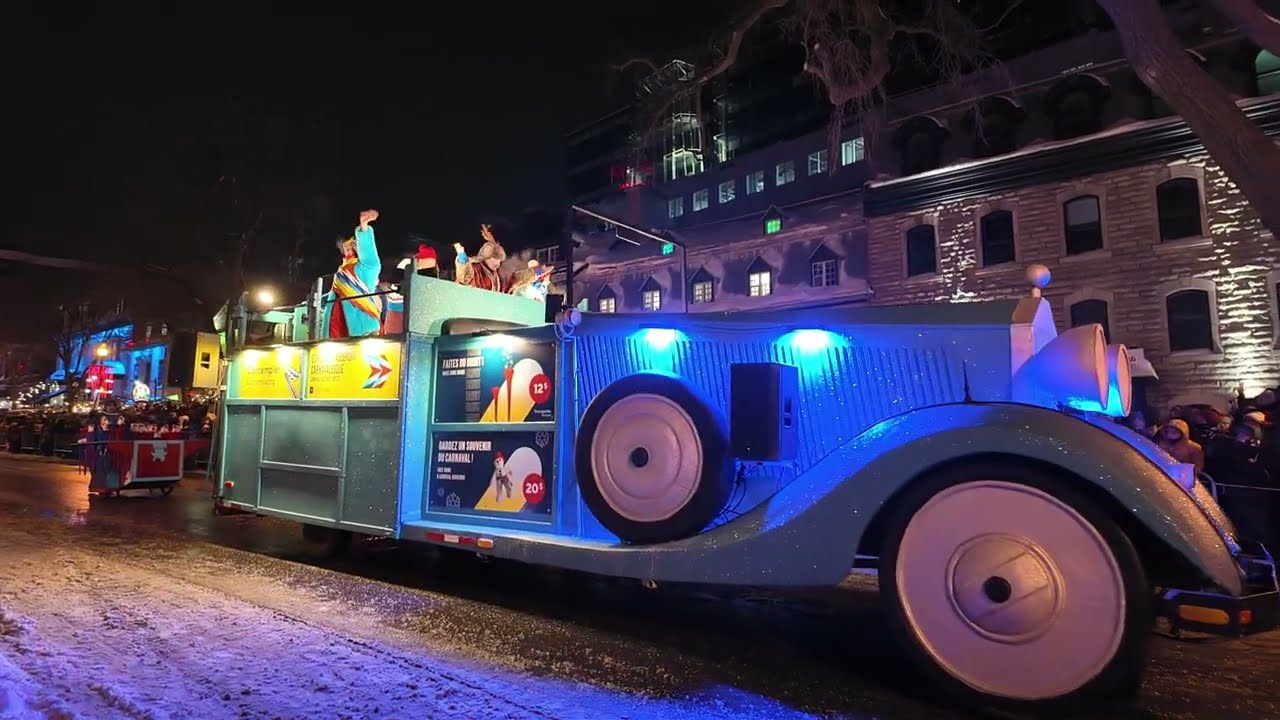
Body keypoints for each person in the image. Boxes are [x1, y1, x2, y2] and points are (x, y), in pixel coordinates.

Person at [323, 210, 383, 339]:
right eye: (346, 247)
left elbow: (369, 256)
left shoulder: (366, 267)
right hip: (337, 330)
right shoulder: (342, 270)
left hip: (363, 331)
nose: (349, 249)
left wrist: (364, 228)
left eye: (353, 244)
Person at [453, 224, 508, 292]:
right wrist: (462, 260)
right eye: (495, 258)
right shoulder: (475, 268)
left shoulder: (494, 272)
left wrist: (492, 241)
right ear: (486, 257)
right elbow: (465, 277)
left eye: (500, 261)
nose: (498, 264)